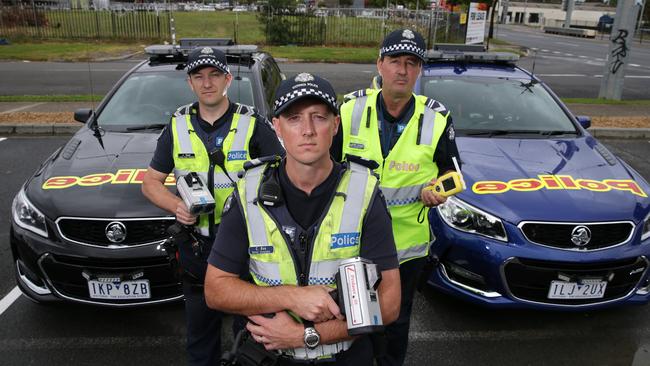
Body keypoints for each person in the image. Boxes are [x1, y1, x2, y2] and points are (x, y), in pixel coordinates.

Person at [204, 73, 401, 365]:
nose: (307, 130)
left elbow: (389, 303)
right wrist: (294, 298)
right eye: (294, 118)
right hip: (268, 357)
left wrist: (306, 335)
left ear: (335, 125)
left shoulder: (365, 191)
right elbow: (216, 290)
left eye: (318, 117)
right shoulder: (248, 191)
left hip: (344, 356)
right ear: (277, 127)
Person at [142, 46, 284, 366]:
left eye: (214, 75)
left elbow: (284, 176)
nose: (207, 83)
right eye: (199, 76)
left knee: (248, 334)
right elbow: (150, 183)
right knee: (200, 337)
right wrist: (176, 204)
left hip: (246, 247)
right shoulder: (177, 125)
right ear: (190, 83)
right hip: (197, 247)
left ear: (227, 79)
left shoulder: (253, 123)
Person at [331, 29, 461, 366]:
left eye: (411, 63)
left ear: (419, 71)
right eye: (395, 61)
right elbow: (326, 167)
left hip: (406, 249)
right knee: (353, 317)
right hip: (352, 241)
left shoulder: (436, 116)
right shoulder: (349, 109)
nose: (402, 70)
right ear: (380, 64)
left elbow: (453, 174)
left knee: (396, 321)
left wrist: (438, 191)